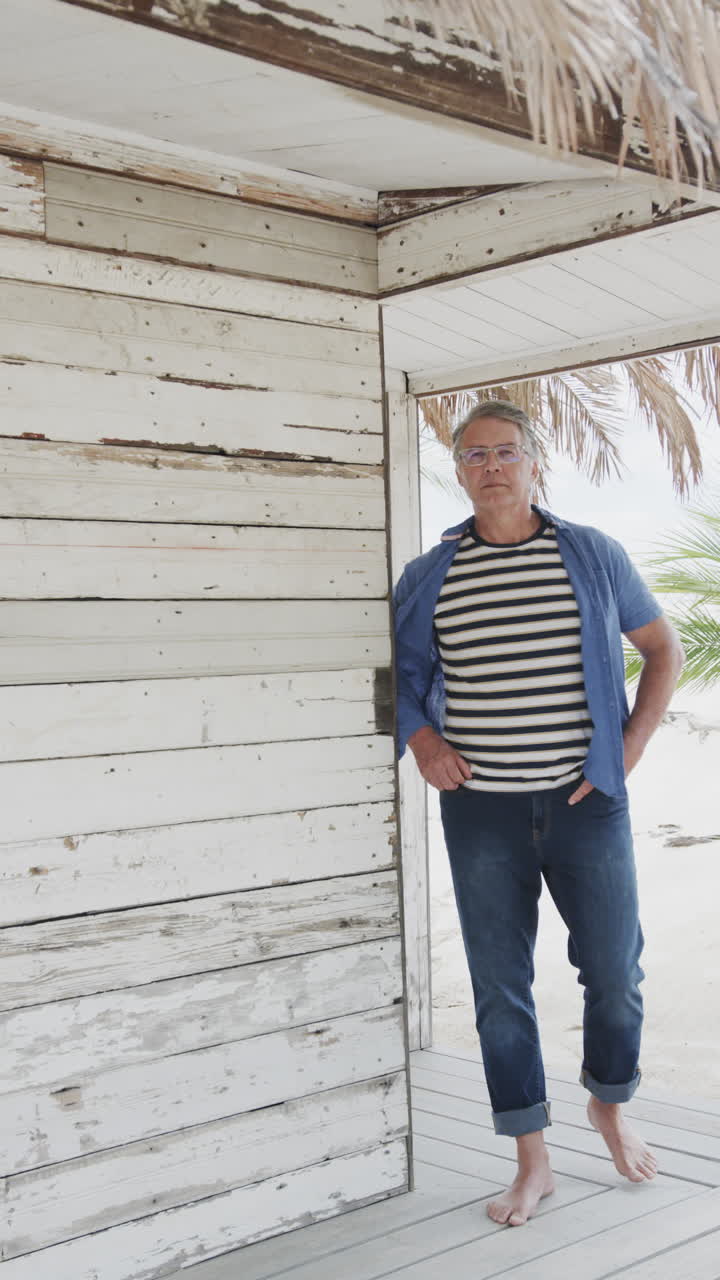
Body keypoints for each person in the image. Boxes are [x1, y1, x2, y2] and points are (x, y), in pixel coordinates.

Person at [393, 400, 685, 1227]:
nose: (493, 466)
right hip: (479, 812)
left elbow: (665, 650)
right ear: (458, 470)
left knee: (615, 975)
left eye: (508, 452)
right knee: (499, 989)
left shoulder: (591, 556)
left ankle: (609, 1105)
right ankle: (532, 1158)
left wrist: (624, 752)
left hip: (585, 804)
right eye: (476, 454)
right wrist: (422, 741)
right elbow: (405, 681)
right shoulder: (429, 576)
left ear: (535, 464)